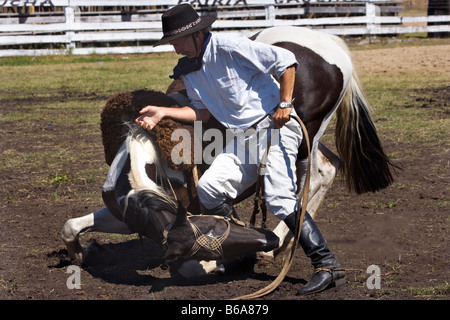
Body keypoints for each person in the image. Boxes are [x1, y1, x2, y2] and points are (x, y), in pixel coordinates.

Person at [135, 4, 344, 295]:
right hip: (242, 137)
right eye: (170, 42)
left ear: (197, 34)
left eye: (177, 41)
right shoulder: (189, 70)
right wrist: (162, 112)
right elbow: (202, 113)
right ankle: (244, 251)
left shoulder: (231, 46)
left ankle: (327, 265)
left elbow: (286, 62)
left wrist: (285, 103)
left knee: (280, 197)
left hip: (275, 125)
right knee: (209, 187)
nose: (174, 48)